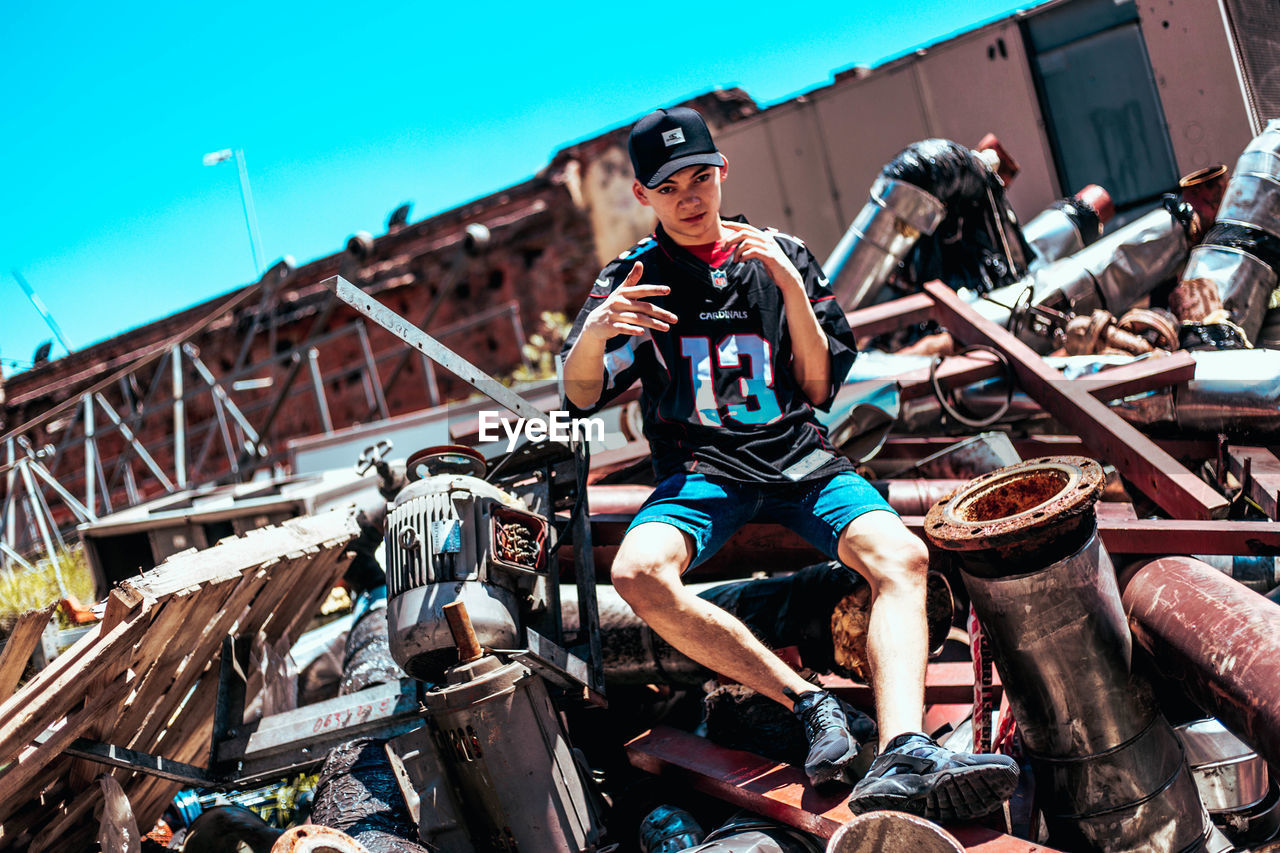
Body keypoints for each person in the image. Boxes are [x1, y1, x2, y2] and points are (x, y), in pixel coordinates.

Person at [560, 106, 1017, 821]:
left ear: (722, 173)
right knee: (635, 573)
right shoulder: (634, 277)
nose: (691, 195)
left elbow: (816, 386)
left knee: (902, 556)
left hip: (799, 458)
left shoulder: (781, 253)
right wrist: (594, 334)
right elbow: (580, 392)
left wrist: (791, 286)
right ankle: (808, 703)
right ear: (644, 196)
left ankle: (904, 749)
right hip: (702, 471)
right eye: (671, 184)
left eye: (701, 177)